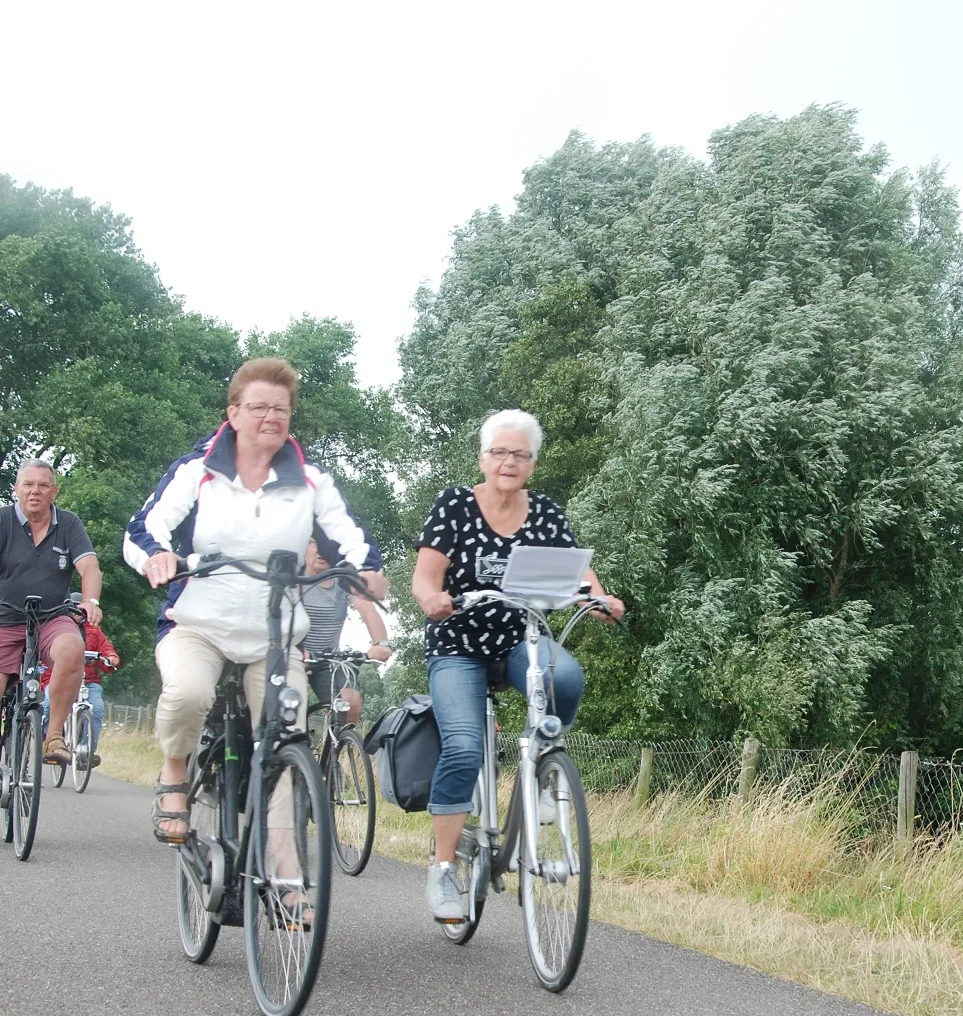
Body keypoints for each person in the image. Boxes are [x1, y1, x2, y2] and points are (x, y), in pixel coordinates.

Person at [124, 356, 388, 845]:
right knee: (188, 694)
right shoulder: (197, 471)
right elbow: (143, 529)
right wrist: (158, 557)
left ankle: (286, 873)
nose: (271, 418)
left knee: (285, 738)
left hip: (275, 636)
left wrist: (365, 571)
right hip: (197, 623)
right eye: (259, 407)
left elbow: (353, 538)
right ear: (234, 413)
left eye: (281, 409)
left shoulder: (311, 481)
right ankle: (175, 775)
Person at [411, 408, 622, 922]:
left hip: (518, 639)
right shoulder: (456, 504)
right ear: (483, 458)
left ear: (532, 462)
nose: (509, 462)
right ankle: (443, 871)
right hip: (458, 643)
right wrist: (432, 600)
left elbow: (576, 566)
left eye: (520, 454)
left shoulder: (545, 512)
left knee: (566, 676)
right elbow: (425, 576)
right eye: (500, 452)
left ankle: (546, 771)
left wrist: (599, 598)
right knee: (463, 747)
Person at [0, 460, 103, 826]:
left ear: (54, 492)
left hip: (53, 614)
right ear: (17, 490)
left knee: (71, 649)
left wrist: (91, 602)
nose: (35, 491)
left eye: (43, 485)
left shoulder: (68, 524)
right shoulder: (1, 520)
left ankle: (53, 736)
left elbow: (89, 567)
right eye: (27, 485)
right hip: (3, 616)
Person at [298, 538, 392, 724]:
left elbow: (366, 608)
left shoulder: (342, 583)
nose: (321, 551)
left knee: (351, 701)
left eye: (328, 546)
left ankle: (339, 743)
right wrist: (295, 649)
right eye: (315, 543)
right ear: (304, 547)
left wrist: (380, 643)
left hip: (326, 660)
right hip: (294, 657)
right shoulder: (295, 581)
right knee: (292, 709)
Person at [40, 619, 120, 762]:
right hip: (58, 681)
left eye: (80, 611)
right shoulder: (55, 628)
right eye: (74, 609)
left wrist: (111, 657)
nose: (77, 614)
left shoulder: (94, 631)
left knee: (96, 708)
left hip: (88, 682)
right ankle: (47, 741)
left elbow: (106, 649)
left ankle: (86, 751)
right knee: (47, 706)